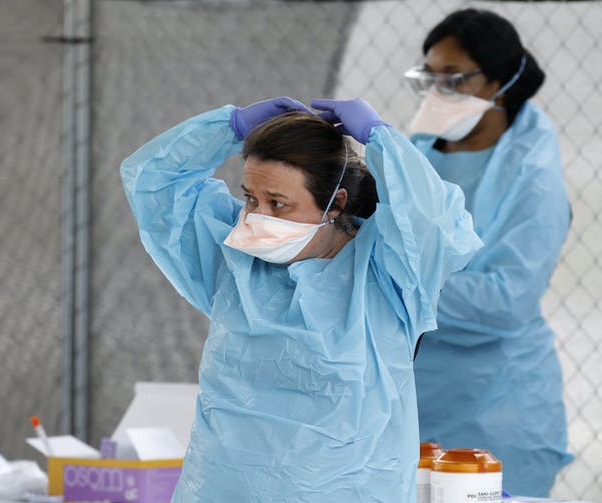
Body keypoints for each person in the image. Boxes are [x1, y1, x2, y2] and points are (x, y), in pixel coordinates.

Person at [120, 96, 482, 502]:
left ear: (337, 203)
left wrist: (381, 139)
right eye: (251, 198)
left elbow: (433, 221)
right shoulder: (234, 260)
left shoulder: (389, 276)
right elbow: (154, 182)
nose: (258, 216)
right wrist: (229, 127)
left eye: (279, 203)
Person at [404, 8, 574, 497]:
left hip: (497, 408)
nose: (438, 92)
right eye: (429, 78)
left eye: (453, 79)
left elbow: (505, 301)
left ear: (499, 81)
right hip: (411, 397)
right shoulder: (420, 152)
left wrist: (398, 284)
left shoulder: (532, 176)